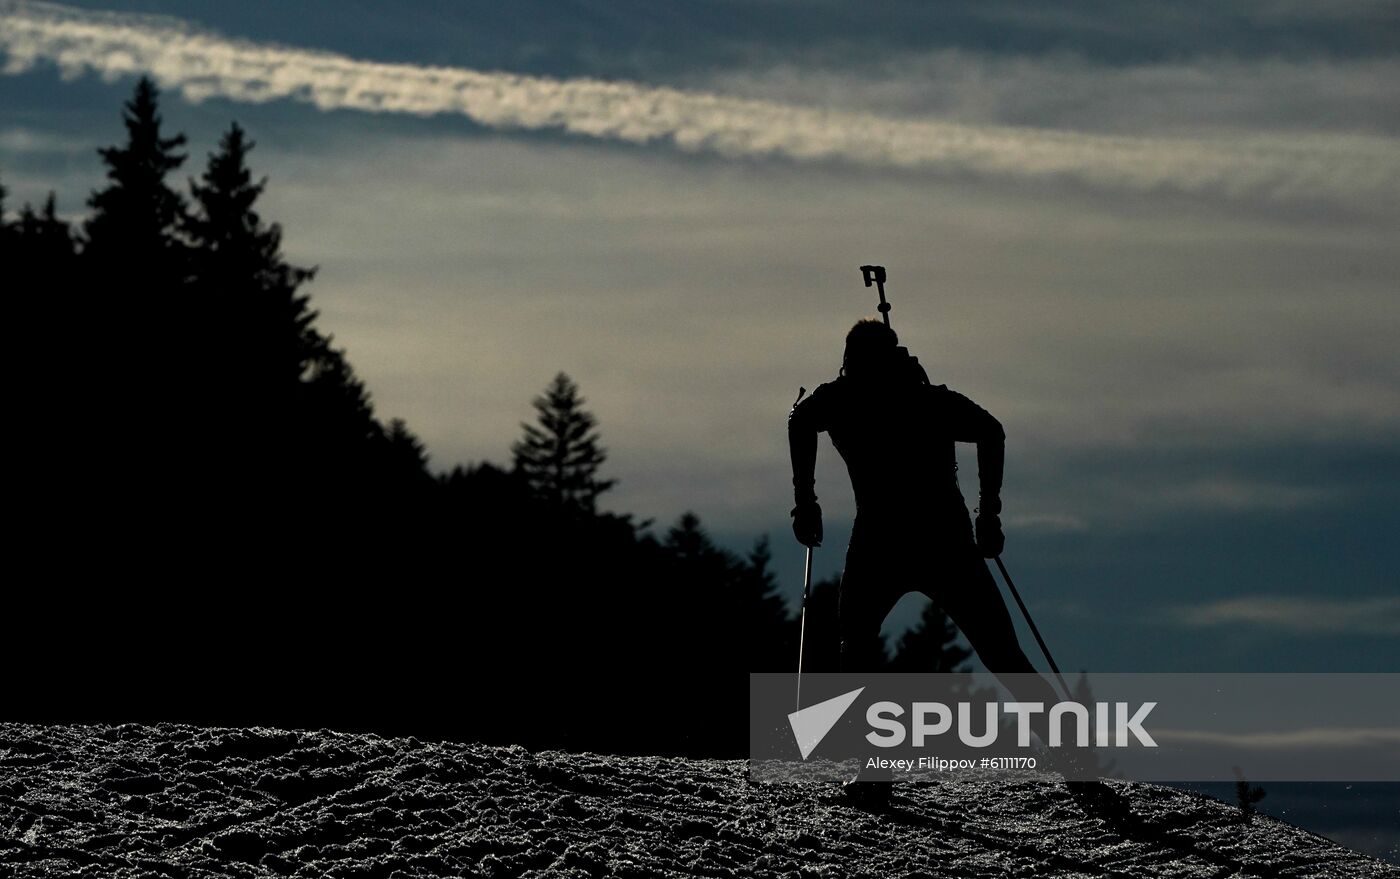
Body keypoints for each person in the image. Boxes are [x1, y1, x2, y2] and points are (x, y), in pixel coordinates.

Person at [787, 318, 1060, 800]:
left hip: (890, 538)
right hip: (939, 538)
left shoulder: (848, 398)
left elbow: (800, 421)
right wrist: (988, 513)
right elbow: (990, 431)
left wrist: (806, 501)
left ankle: (874, 771)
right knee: (995, 650)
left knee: (860, 642)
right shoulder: (927, 400)